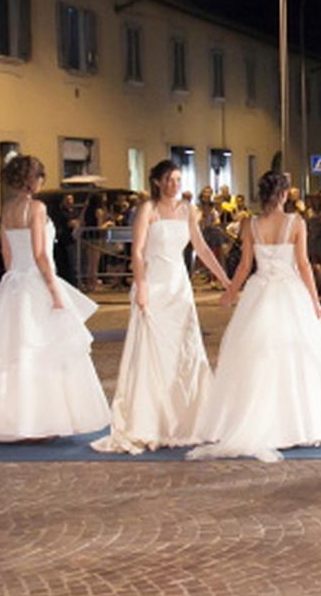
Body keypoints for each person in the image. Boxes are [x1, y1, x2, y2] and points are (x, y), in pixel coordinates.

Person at [190, 171, 321, 461]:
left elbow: (245, 266)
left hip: (259, 293)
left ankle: (255, 421)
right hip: (290, 293)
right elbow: (304, 264)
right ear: (283, 195)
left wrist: (231, 292)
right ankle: (298, 423)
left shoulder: (250, 224)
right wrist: (314, 300)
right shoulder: (295, 223)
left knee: (256, 357)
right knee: (298, 356)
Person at [0, 155, 111, 441]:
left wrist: (14, 279)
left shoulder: (8, 209)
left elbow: (8, 256)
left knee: (10, 354)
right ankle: (39, 421)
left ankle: (8, 420)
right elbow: (40, 254)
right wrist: (53, 289)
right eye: (39, 178)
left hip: (13, 283)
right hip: (35, 282)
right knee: (43, 352)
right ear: (32, 179)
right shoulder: (36, 208)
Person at [94, 159, 232, 454]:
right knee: (153, 353)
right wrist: (141, 285)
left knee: (185, 351)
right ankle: (151, 420)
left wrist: (224, 278)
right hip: (155, 284)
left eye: (178, 179)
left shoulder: (186, 210)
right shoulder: (148, 209)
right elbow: (138, 250)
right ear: (157, 181)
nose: (174, 184)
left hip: (179, 287)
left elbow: (201, 247)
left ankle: (186, 419)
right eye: (169, 179)